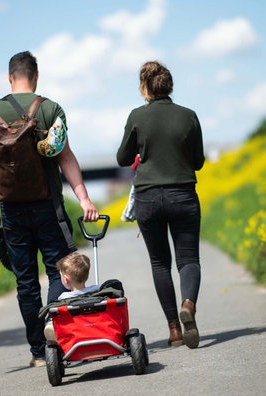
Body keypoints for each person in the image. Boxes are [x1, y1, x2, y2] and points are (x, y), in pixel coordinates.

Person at [0, 51, 99, 367]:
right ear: (36, 76)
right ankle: (55, 328)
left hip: (11, 211)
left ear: (9, 77)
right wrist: (84, 198)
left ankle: (38, 353)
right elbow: (65, 157)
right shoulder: (49, 109)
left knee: (26, 281)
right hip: (49, 206)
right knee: (62, 270)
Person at [116, 60, 205, 349]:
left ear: (145, 87)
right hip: (183, 194)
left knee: (160, 263)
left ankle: (174, 330)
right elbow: (198, 161)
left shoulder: (137, 116)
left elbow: (121, 158)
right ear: (169, 86)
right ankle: (188, 305)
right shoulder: (189, 116)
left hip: (148, 198)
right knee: (188, 259)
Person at [44, 252, 101, 341]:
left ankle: (52, 325)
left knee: (53, 317)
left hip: (75, 332)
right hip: (95, 326)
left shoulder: (63, 298)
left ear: (66, 280)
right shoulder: (96, 291)